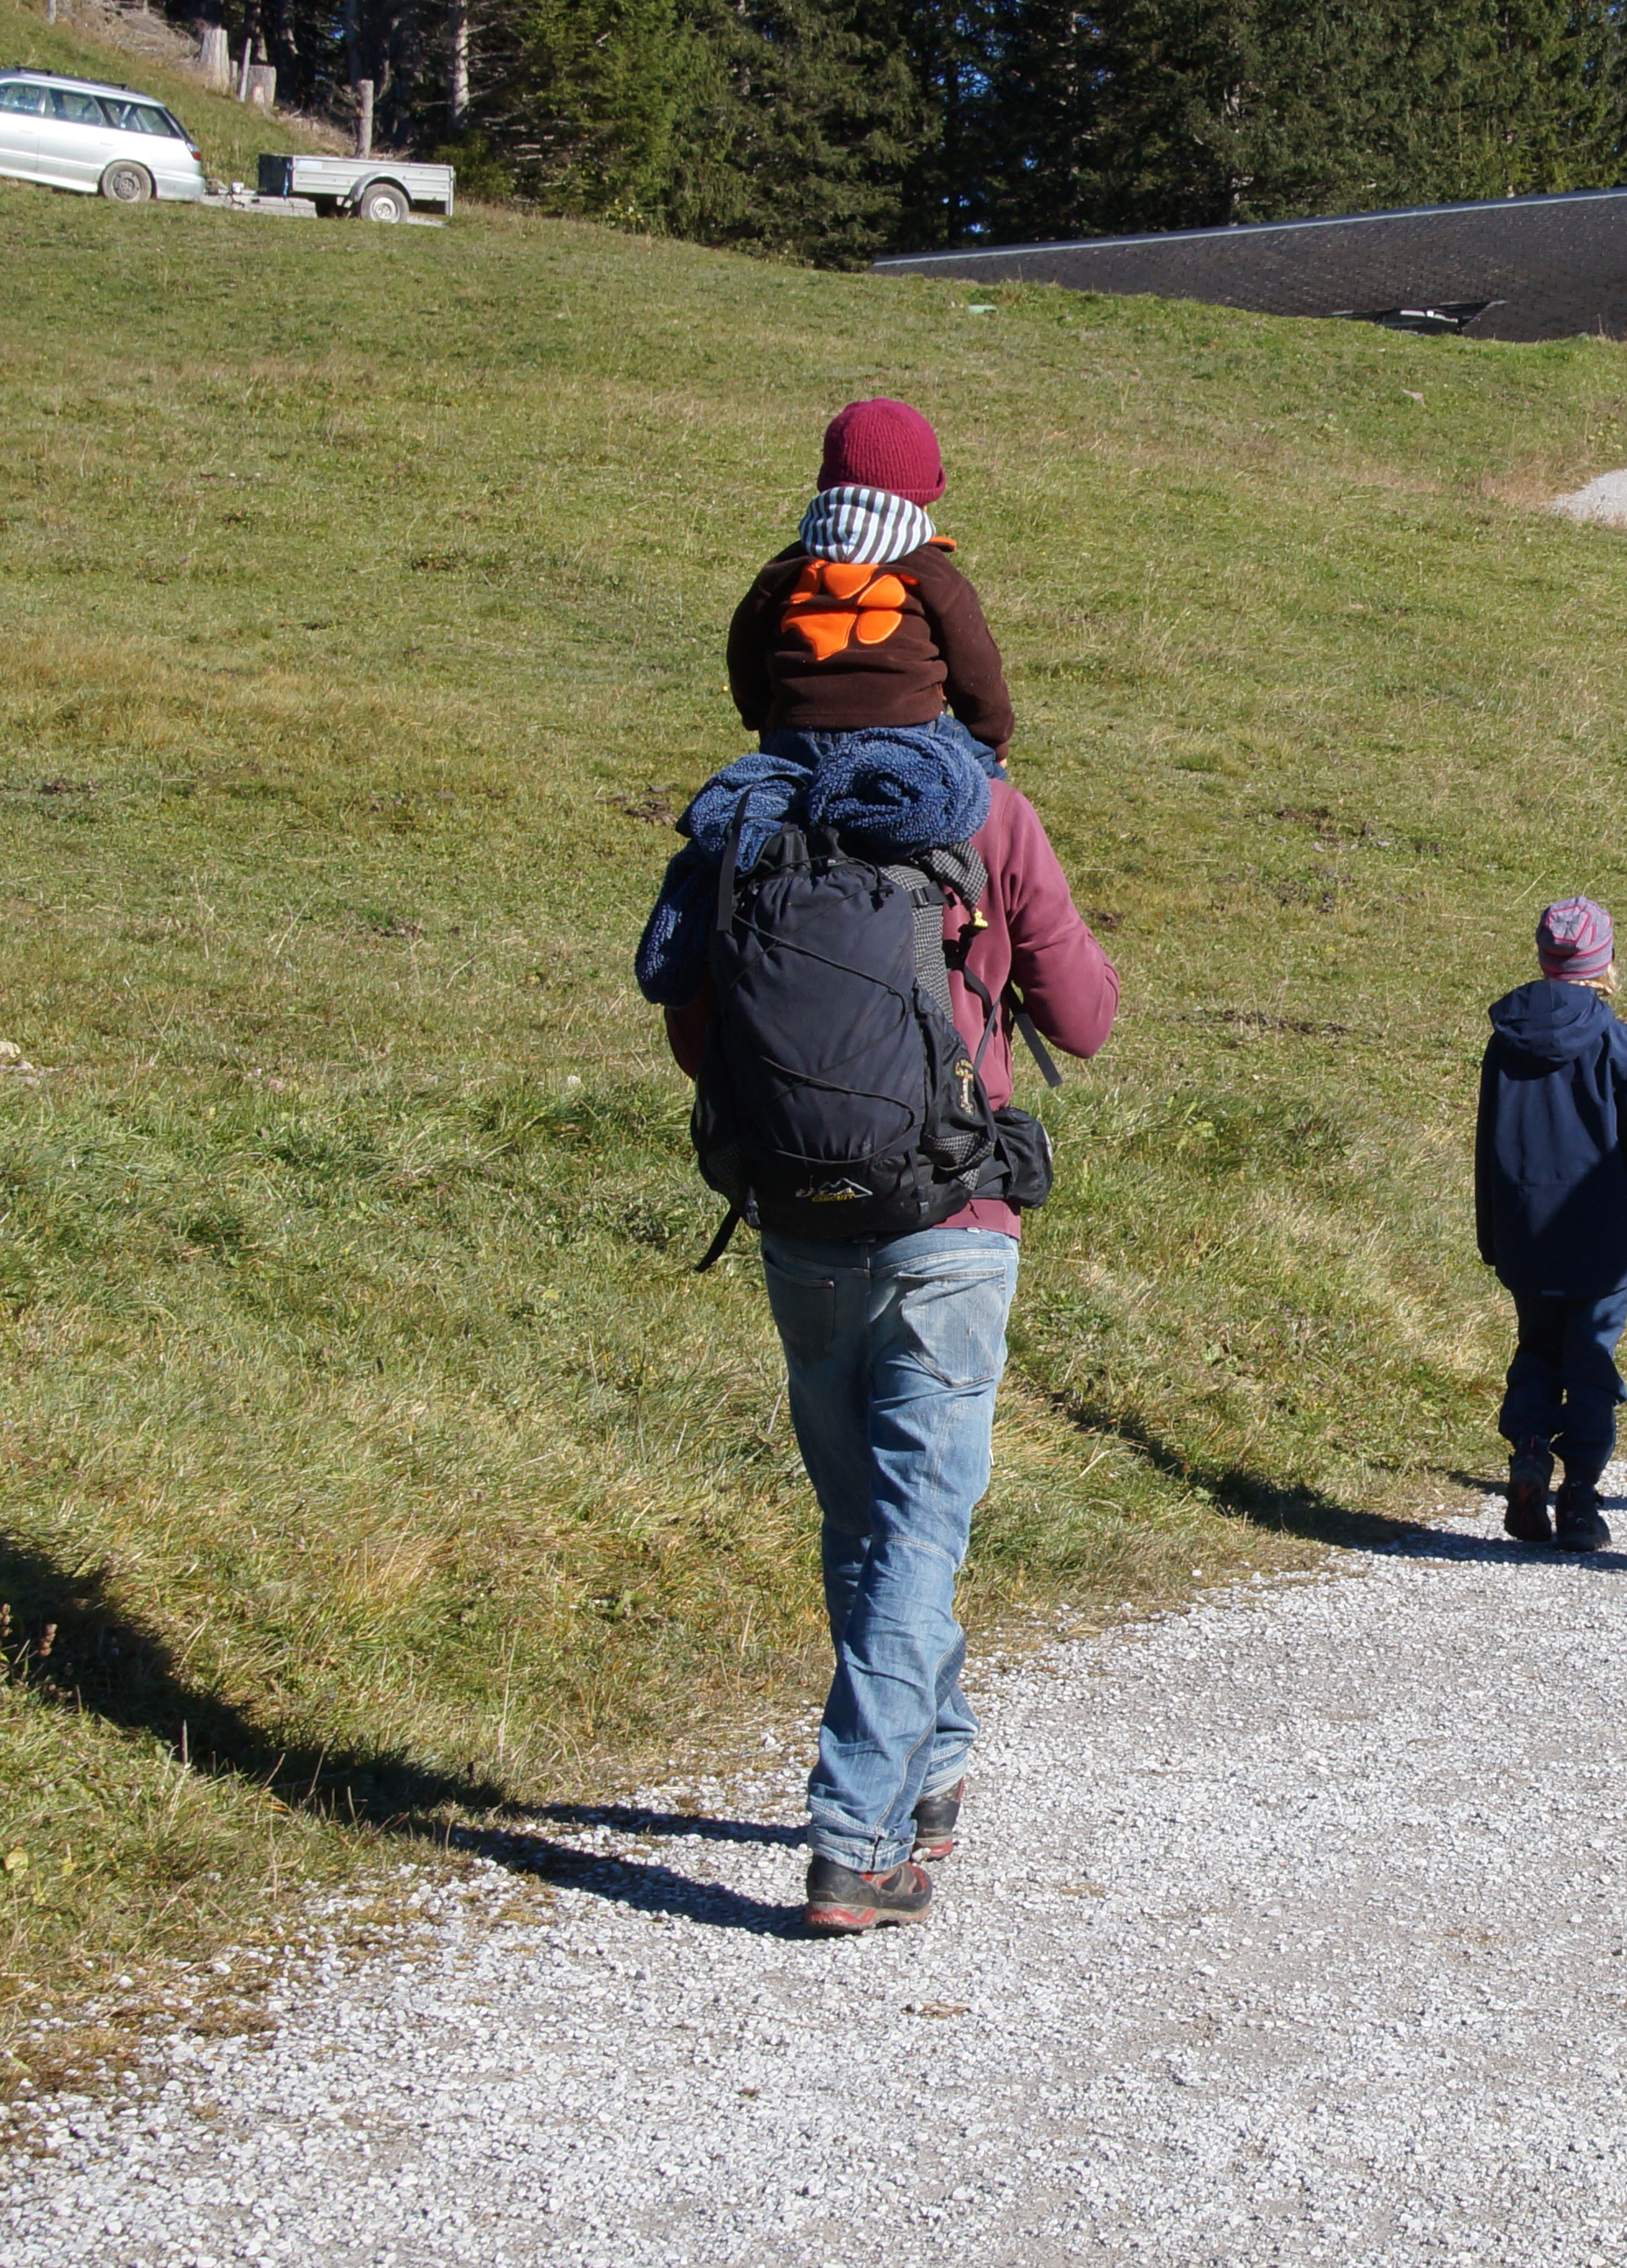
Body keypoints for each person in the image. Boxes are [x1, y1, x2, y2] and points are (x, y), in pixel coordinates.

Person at [638, 436, 1118, 1934]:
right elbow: (1087, 1019)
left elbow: (685, 1016)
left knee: (872, 1521)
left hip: (797, 1216)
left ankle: (933, 1764)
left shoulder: (736, 815)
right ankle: (856, 1836)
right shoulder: (980, 811)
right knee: (918, 1526)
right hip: (953, 1212)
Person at [1473, 898, 1627, 1555]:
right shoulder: (1622, 1046)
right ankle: (1580, 1501)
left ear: (1543, 958)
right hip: (1602, 1242)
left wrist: (1491, 1234)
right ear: (1606, 961)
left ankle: (1531, 1452)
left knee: (1536, 1350)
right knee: (1590, 1363)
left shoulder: (1504, 1042)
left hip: (1525, 1235)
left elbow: (1488, 1146)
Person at [727, 396, 1016, 777]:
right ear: (924, 499)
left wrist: (764, 718)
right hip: (908, 732)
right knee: (982, 782)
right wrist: (993, 739)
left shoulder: (788, 566)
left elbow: (745, 648)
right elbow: (975, 665)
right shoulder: (931, 571)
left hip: (798, 734)